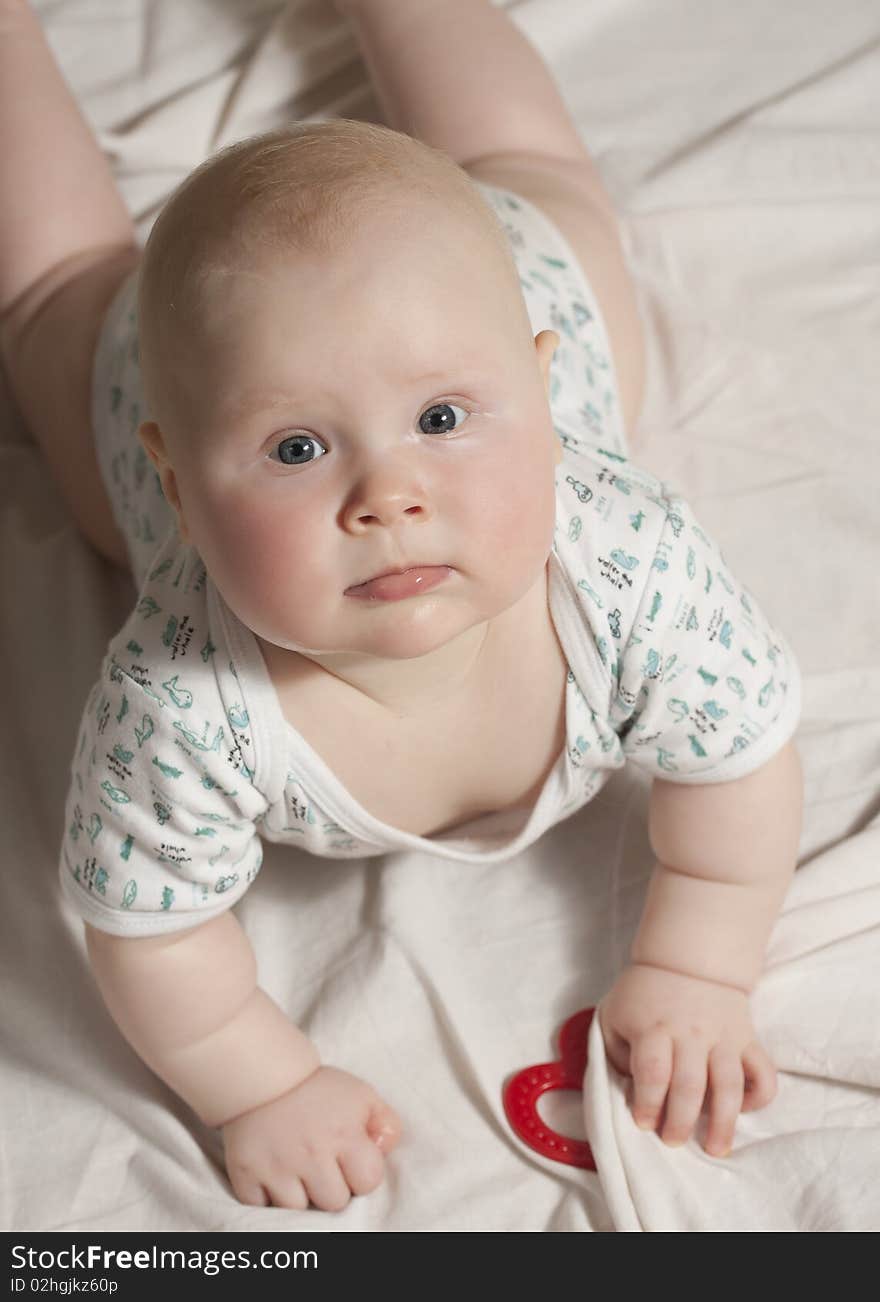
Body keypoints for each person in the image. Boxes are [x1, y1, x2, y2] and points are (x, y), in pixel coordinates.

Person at [0, 0, 803, 1213]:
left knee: (526, 174)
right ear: (180, 478)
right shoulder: (178, 698)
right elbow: (153, 935)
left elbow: (740, 761)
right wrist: (259, 1088)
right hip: (149, 369)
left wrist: (699, 966)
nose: (389, 496)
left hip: (514, 285)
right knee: (60, 292)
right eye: (298, 447)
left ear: (528, 397)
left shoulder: (625, 562)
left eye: (438, 424)